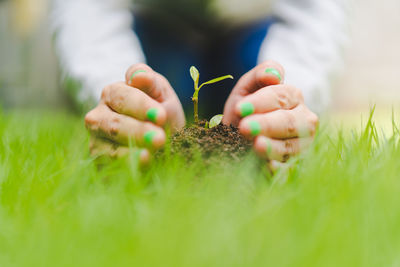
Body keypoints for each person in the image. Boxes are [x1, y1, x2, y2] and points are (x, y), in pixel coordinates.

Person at [51, 0, 349, 168]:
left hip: (253, 27)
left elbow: (316, 13)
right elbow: (86, 10)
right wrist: (121, 98)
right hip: (157, 28)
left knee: (257, 82)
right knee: (166, 79)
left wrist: (286, 100)